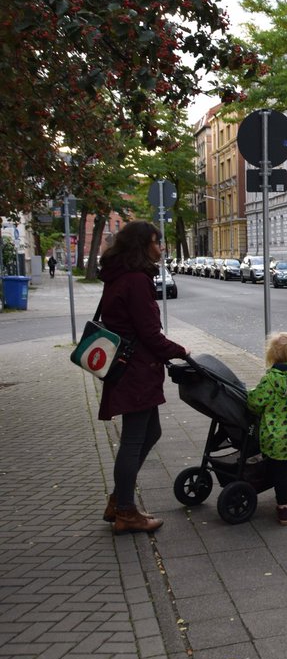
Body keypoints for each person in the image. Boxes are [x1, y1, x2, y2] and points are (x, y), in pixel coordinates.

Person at [97, 220, 188, 533]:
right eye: (156, 241)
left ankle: (118, 500)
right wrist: (180, 350)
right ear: (143, 245)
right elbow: (149, 333)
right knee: (134, 440)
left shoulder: (119, 275)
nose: (160, 247)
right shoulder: (135, 280)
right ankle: (124, 511)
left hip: (130, 367)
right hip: (135, 370)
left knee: (150, 433)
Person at [247, 332, 287, 526]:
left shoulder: (270, 380)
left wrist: (249, 397)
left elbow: (255, 403)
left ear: (272, 355)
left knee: (279, 473)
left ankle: (283, 509)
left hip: (276, 437)